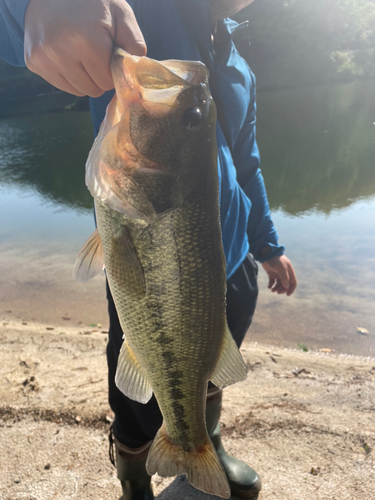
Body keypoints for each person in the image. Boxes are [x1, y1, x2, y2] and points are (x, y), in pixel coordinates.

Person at [0, 1, 297, 498]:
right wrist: (28, 8)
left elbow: (248, 163)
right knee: (137, 395)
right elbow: (25, 29)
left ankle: (203, 442)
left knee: (208, 361)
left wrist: (268, 245)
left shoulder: (236, 60)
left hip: (234, 258)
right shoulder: (143, 12)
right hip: (145, 272)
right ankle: (133, 473)